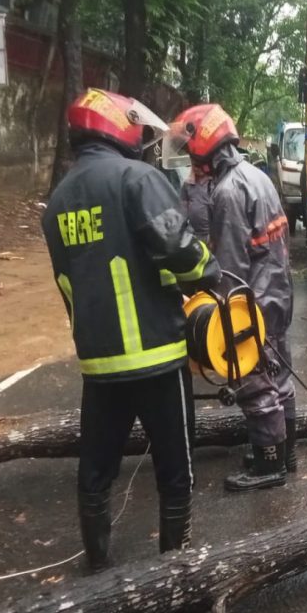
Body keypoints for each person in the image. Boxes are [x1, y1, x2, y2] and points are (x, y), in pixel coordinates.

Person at [42, 88, 222, 572]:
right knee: (176, 474)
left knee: (96, 473)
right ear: (117, 125)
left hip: (99, 363)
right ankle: (173, 578)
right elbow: (181, 252)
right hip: (157, 356)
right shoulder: (136, 178)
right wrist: (210, 271)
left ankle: (97, 568)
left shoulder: (57, 201)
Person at [173, 103, 297, 491]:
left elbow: (229, 267)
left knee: (251, 380)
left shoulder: (227, 192)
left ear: (204, 148)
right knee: (280, 373)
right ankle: (286, 451)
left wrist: (220, 316)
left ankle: (269, 463)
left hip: (252, 299)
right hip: (277, 291)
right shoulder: (257, 176)